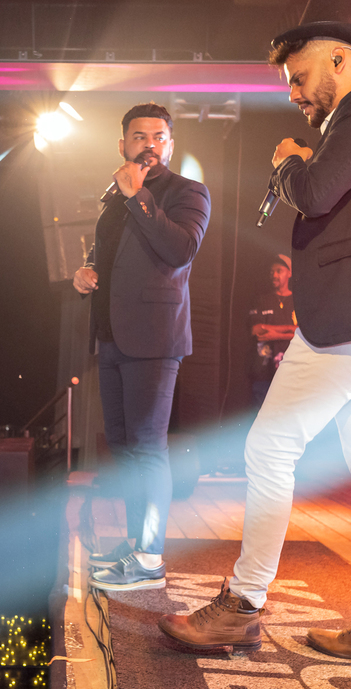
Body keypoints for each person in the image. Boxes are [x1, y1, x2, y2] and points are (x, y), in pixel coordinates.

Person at [159, 0, 351, 671]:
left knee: (268, 447)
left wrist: (291, 160)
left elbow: (315, 193)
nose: (292, 92)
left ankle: (242, 605)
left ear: (340, 58)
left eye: (299, 76)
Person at [73, 102, 211, 592]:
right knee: (124, 447)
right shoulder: (115, 197)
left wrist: (139, 196)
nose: (149, 145)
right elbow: (110, 257)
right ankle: (136, 544)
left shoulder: (187, 192)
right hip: (111, 334)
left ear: (170, 144)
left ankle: (150, 557)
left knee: (148, 447)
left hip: (154, 336)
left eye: (158, 137)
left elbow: (180, 249)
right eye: (139, 137)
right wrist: (87, 272)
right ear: (122, 144)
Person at [248, 254, 297, 408]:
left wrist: (273, 334)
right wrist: (289, 329)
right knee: (261, 413)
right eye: (271, 272)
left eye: (278, 271)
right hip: (264, 372)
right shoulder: (261, 300)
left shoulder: (298, 301)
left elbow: (303, 334)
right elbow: (256, 330)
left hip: (291, 370)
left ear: (289, 273)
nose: (274, 275)